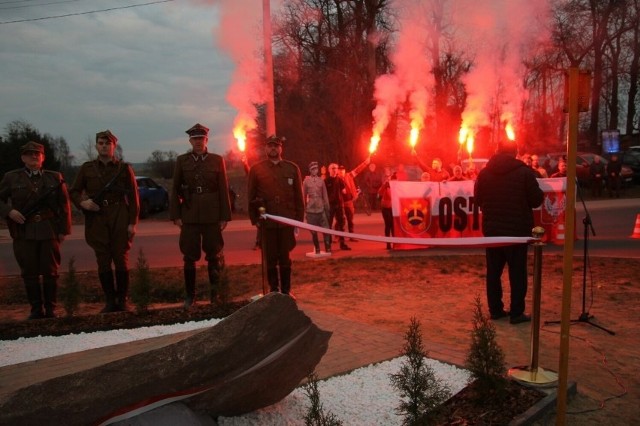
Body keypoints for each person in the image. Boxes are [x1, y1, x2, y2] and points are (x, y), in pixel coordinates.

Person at [474, 140, 543, 325]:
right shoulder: (524, 173)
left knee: (493, 273)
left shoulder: (484, 173)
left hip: (493, 231)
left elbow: (478, 199)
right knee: (518, 273)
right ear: (516, 152)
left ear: (496, 151)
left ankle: (495, 310)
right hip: (517, 232)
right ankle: (516, 312)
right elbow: (536, 200)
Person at [0, 142, 72, 319]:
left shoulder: (54, 177)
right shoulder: (11, 178)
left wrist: (64, 230)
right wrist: (10, 212)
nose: (34, 156)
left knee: (51, 272)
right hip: (24, 231)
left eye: (37, 154)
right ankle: (36, 310)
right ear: (23, 157)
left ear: (43, 157)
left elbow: (64, 205)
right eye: (29, 154)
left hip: (49, 230)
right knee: (29, 272)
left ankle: (50, 309)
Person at [70, 130, 139, 313]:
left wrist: (132, 222)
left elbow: (133, 197)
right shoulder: (87, 168)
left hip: (119, 215)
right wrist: (82, 203)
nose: (104, 146)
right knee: (103, 259)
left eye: (107, 143)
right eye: (100, 143)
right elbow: (74, 191)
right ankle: (109, 301)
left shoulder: (124, 169)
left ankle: (122, 300)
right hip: (97, 217)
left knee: (121, 258)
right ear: (96, 146)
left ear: (113, 146)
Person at [170, 123, 232, 308]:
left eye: (201, 139)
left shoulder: (216, 160)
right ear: (190, 140)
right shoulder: (182, 161)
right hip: (189, 214)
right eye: (195, 139)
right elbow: (175, 188)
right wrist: (176, 215)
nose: (198, 142)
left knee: (214, 255)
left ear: (206, 140)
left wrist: (224, 216)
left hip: (212, 214)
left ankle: (216, 295)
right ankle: (190, 296)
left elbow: (223, 188)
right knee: (189, 255)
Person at [247, 135, 304, 296]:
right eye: (270, 146)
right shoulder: (256, 169)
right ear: (265, 148)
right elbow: (251, 196)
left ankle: (286, 290)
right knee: (270, 258)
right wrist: (255, 219)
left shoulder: (292, 168)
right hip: (267, 221)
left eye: (276, 146)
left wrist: (298, 221)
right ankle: (273, 290)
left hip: (286, 220)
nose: (273, 148)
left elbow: (298, 196)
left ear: (281, 148)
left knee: (285, 257)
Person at [302, 161, 332, 254]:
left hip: (320, 207)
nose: (315, 171)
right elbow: (303, 195)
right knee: (313, 231)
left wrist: (327, 208)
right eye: (313, 169)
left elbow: (325, 195)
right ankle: (317, 248)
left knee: (325, 229)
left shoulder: (321, 181)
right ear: (310, 170)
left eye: (316, 169)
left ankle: (327, 247)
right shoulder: (306, 181)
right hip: (311, 209)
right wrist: (304, 209)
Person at [339, 157, 370, 240]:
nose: (341, 171)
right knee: (340, 220)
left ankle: (351, 236)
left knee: (350, 220)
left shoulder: (349, 175)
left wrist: (365, 163)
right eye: (340, 170)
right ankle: (337, 236)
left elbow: (358, 170)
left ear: (345, 171)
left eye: (343, 170)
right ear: (338, 171)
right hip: (340, 203)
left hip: (349, 202)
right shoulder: (336, 179)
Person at [325, 163, 351, 250]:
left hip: (339, 205)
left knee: (341, 224)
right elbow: (323, 194)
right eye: (333, 168)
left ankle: (342, 244)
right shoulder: (326, 181)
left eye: (336, 168)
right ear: (329, 170)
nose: (335, 170)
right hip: (330, 205)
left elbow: (344, 191)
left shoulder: (340, 180)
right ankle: (328, 245)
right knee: (328, 225)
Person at [378, 170, 396, 250]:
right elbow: (380, 192)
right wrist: (385, 184)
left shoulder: (396, 186)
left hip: (393, 207)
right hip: (385, 207)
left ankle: (395, 242)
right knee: (388, 224)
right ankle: (388, 243)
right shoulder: (385, 186)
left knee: (393, 225)